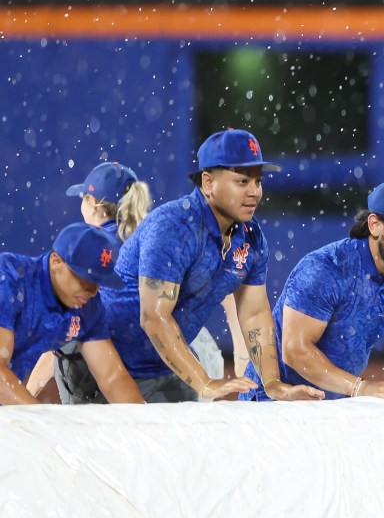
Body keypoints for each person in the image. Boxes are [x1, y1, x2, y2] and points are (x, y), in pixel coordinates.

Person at [100, 128, 323, 402]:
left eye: (258, 181)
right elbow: (154, 317)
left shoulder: (251, 239)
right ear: (207, 183)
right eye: (242, 181)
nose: (254, 192)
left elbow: (254, 314)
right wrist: (204, 383)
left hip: (161, 366)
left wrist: (273, 383)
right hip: (103, 361)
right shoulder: (173, 227)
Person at [26, 161, 246, 404]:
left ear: (94, 204)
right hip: (178, 375)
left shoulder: (85, 250)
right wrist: (242, 363)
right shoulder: (163, 240)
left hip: (111, 384)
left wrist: (27, 395)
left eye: (83, 197)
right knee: (185, 324)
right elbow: (227, 295)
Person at [240, 179, 384, 400]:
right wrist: (359, 388)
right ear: (375, 224)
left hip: (333, 406)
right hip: (272, 404)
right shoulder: (325, 269)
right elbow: (295, 351)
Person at [1, 223, 144, 406]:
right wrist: (42, 422)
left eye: (99, 281)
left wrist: (143, 420)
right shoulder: (9, 279)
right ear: (56, 262)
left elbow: (112, 377)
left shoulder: (88, 306)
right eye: (85, 277)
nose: (92, 290)